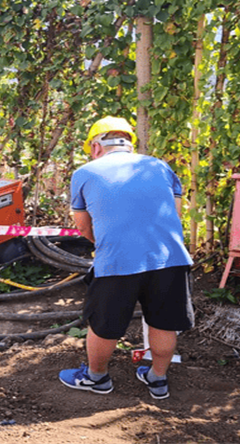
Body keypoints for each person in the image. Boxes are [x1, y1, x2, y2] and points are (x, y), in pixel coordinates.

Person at [58, 116, 194, 399]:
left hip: (118, 262)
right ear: (129, 143)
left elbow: (83, 226)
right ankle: (158, 379)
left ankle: (97, 378)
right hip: (168, 258)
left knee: (104, 324)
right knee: (163, 322)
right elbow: (176, 215)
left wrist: (108, 242)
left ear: (96, 146)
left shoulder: (85, 173)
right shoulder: (160, 166)